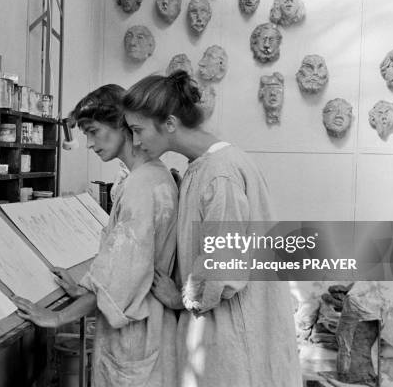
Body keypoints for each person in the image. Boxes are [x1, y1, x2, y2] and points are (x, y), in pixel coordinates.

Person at [122, 71, 302, 387]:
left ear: (170, 123)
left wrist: (180, 299)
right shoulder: (205, 165)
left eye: (138, 130)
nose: (136, 142)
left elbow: (223, 265)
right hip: (222, 333)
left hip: (234, 338)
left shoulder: (220, 174)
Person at [13, 85, 178, 386]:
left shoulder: (143, 187)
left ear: (121, 123)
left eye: (92, 131)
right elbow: (120, 260)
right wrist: (82, 289)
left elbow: (121, 276)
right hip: (142, 328)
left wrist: (58, 318)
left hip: (135, 334)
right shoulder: (146, 176)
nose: (89, 143)